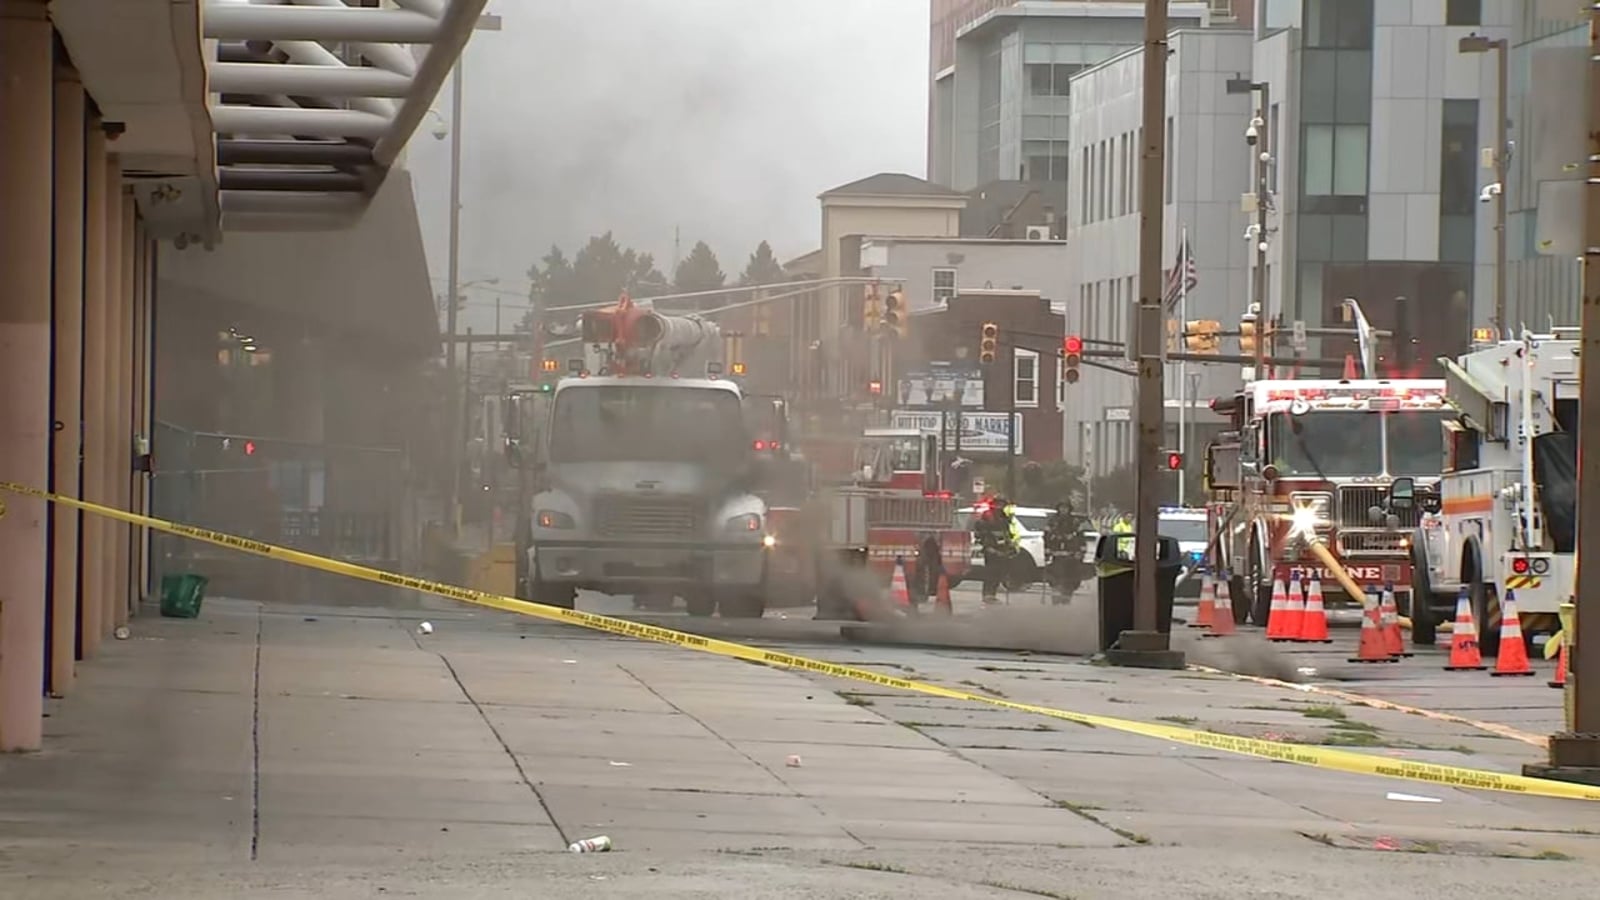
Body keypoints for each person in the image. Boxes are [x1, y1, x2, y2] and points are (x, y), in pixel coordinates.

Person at [973, 496, 1023, 604]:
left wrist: (1011, 546)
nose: (1000, 506)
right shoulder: (987, 517)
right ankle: (988, 595)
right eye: (998, 504)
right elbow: (982, 534)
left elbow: (1008, 533)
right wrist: (988, 546)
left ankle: (992, 594)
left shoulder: (1004, 518)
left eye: (1002, 504)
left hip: (1002, 549)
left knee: (999, 572)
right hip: (991, 549)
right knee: (991, 572)